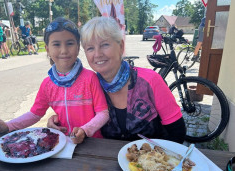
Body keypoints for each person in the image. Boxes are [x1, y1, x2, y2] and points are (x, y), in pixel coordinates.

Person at [48, 17, 186, 144]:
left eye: (104, 45)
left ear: (121, 46)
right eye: (90, 48)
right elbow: (75, 116)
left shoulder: (150, 80)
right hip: (107, 163)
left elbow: (177, 132)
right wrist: (56, 121)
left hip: (152, 163)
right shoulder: (89, 85)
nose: (97, 54)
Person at [0, 17, 109, 144]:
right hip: (61, 144)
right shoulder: (47, 84)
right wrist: (8, 126)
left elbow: (103, 113)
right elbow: (35, 114)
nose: (64, 50)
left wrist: (85, 130)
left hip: (93, 145)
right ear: (47, 49)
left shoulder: (90, 78)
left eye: (70, 43)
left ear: (78, 47)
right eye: (56, 44)